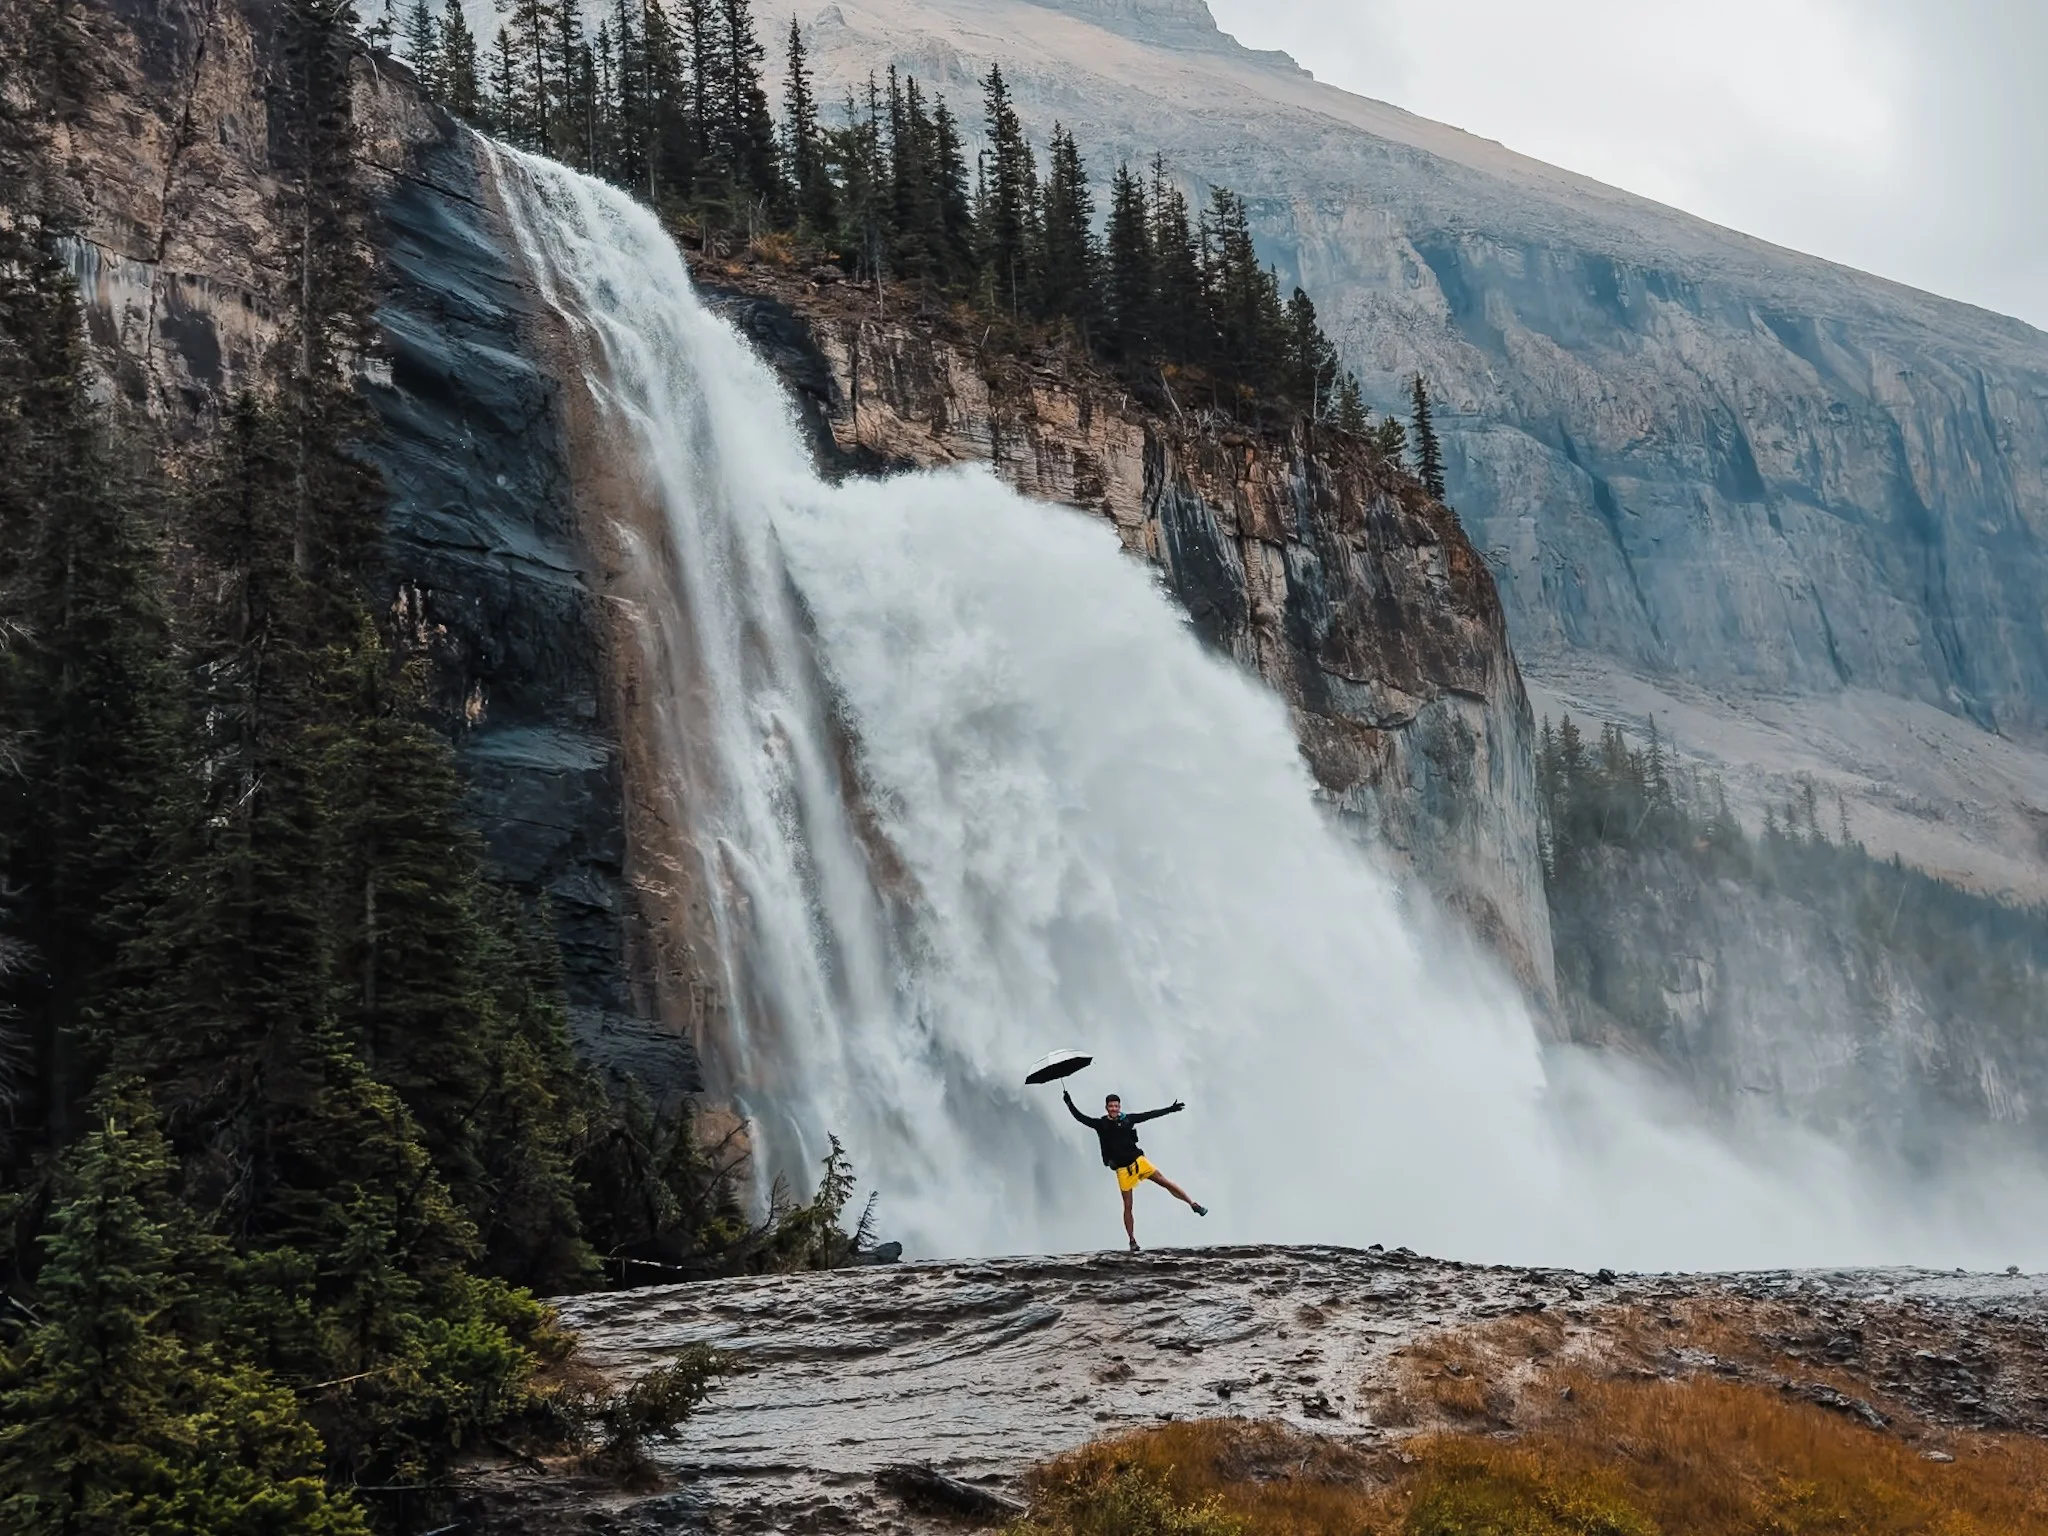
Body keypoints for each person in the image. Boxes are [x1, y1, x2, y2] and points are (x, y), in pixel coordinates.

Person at [1063, 1088, 1207, 1251]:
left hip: (1138, 1162)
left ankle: (1193, 1204)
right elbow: (1080, 1118)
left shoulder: (1128, 1120)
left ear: (1119, 1107)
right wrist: (1069, 1102)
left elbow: (1149, 1115)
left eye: (1116, 1106)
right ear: (1106, 1108)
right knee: (1128, 1205)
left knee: (1164, 1182)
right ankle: (1132, 1240)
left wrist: (1170, 1109)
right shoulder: (1100, 1124)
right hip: (1123, 1169)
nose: (1114, 1109)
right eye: (1111, 1106)